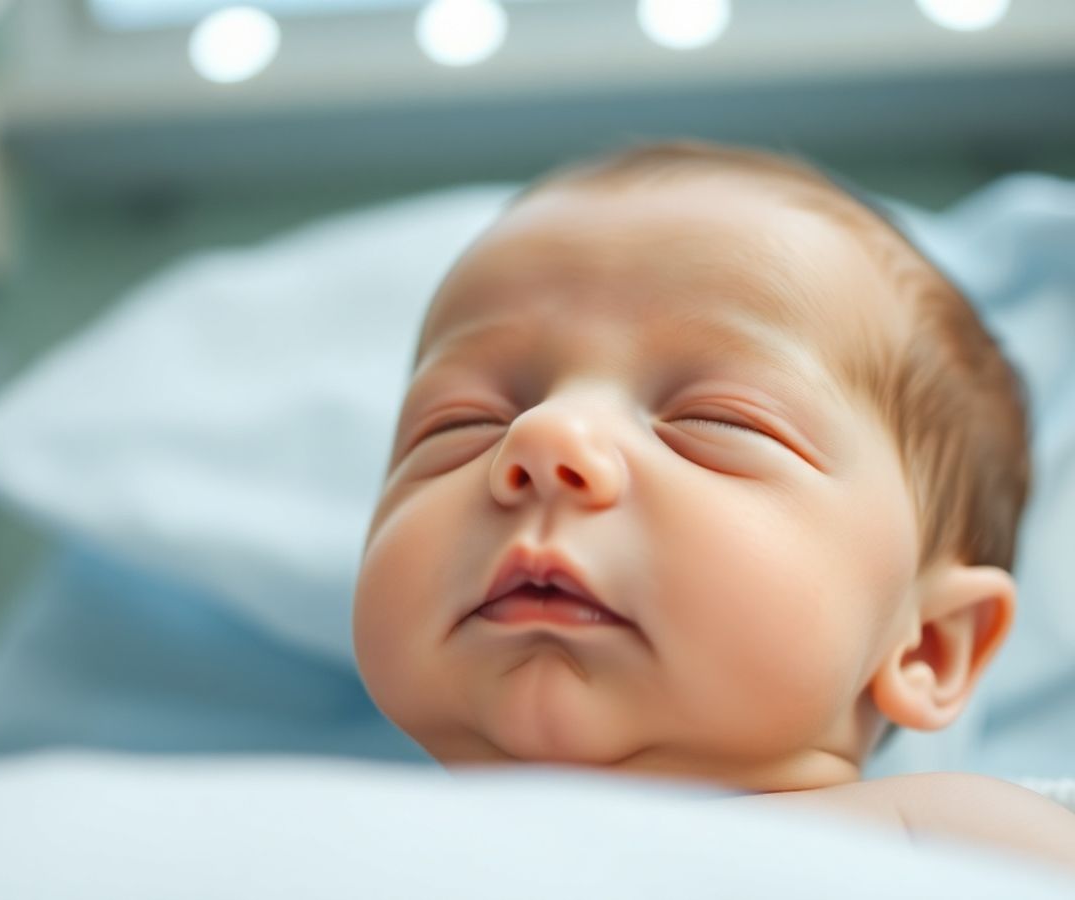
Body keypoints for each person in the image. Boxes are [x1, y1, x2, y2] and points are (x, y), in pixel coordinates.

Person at [351, 140, 1075, 871]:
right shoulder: (332, 833)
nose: (541, 437)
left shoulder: (954, 839)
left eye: (718, 421)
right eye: (459, 425)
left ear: (927, 646)